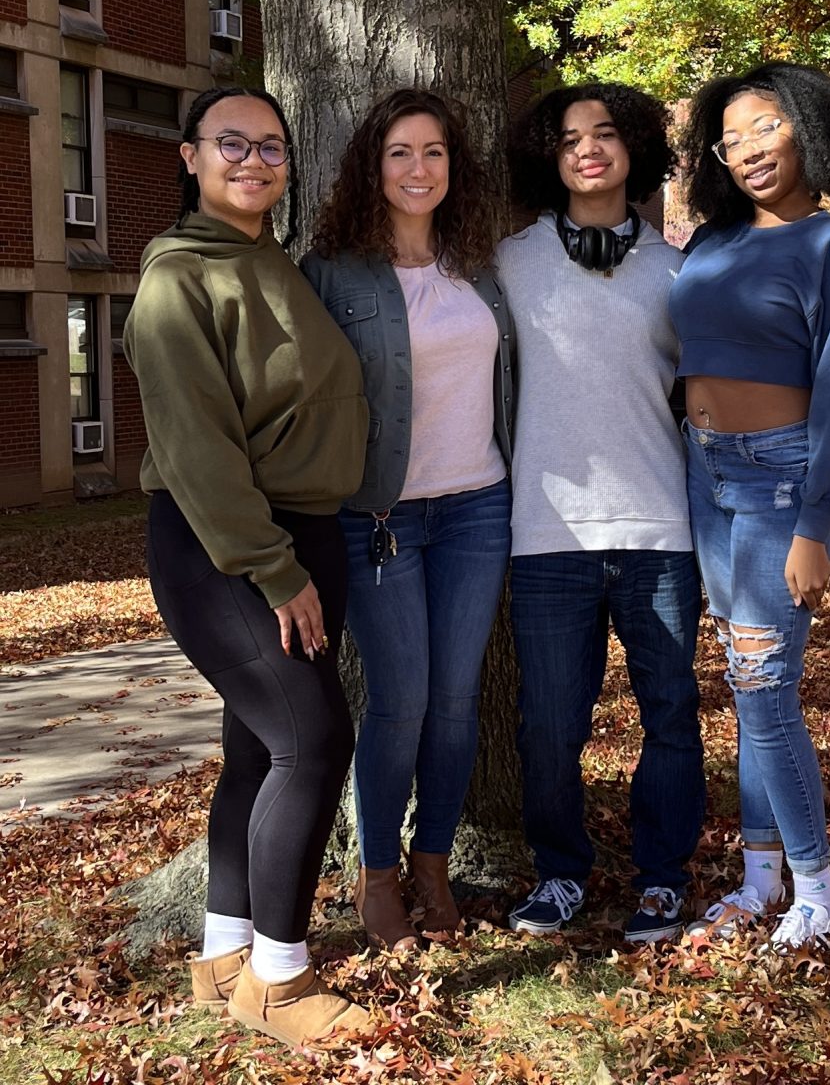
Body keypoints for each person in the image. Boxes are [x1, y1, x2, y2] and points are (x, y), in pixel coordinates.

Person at [124, 86, 371, 1046]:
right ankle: (279, 981)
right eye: (231, 144)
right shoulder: (176, 279)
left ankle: (226, 950)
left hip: (301, 532)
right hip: (227, 543)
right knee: (313, 743)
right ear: (189, 157)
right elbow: (195, 448)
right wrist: (271, 567)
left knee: (260, 751)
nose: (254, 160)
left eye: (270, 146)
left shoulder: (271, 260)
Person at [671, 62, 830, 953]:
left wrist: (814, 528)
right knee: (745, 686)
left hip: (777, 482)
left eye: (763, 126)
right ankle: (760, 880)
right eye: (729, 137)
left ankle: (818, 893)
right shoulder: (708, 243)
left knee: (766, 691)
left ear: (806, 127)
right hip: (702, 472)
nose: (746, 149)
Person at [301, 88, 514, 952]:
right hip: (379, 516)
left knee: (458, 704)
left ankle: (433, 864)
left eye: (432, 152)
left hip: (479, 507)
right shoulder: (331, 272)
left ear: (451, 167)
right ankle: (378, 872)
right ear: (371, 167)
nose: (417, 168)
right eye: (399, 152)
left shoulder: (482, 266)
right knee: (402, 701)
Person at [497, 83, 706, 944]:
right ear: (548, 156)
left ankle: (662, 879)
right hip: (544, 537)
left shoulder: (676, 272)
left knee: (669, 712)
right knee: (548, 722)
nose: (589, 149)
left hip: (659, 531)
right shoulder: (507, 262)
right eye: (570, 137)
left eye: (607, 134)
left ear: (636, 150)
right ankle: (559, 872)